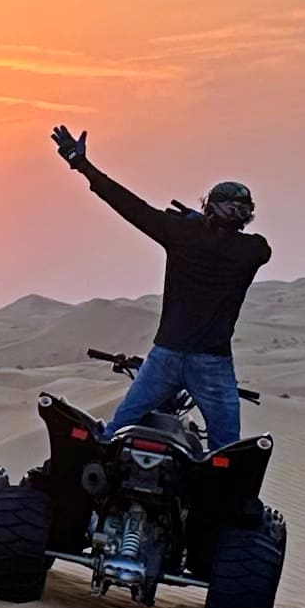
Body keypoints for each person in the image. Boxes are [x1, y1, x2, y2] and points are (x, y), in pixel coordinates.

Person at [50, 127, 267, 449]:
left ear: (210, 207)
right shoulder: (254, 251)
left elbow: (129, 205)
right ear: (246, 214)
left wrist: (80, 163)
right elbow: (232, 242)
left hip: (166, 354)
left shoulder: (179, 234)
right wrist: (197, 222)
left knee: (113, 435)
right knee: (225, 453)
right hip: (212, 362)